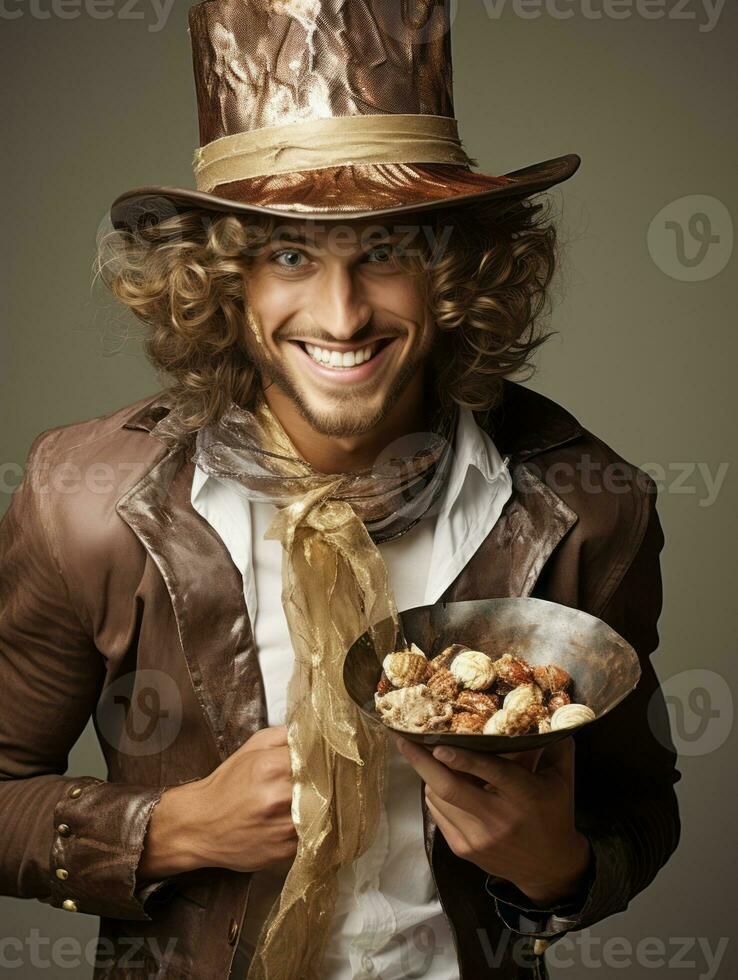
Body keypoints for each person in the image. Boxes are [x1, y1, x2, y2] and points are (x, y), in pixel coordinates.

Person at [0, 1, 680, 978]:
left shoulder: (583, 507)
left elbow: (641, 808)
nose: (342, 312)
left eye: (388, 249)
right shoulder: (86, 500)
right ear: (223, 280)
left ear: (455, 271)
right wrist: (170, 827)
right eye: (287, 253)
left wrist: (556, 864)